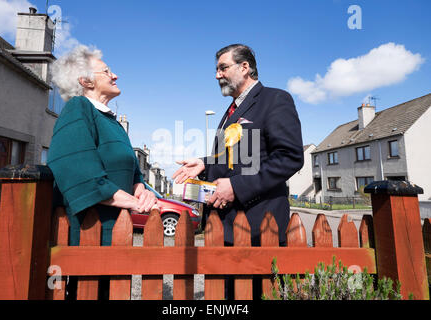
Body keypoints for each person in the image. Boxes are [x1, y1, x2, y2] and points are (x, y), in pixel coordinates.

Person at [172, 44, 304, 298]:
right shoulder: (231, 110)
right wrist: (205, 164)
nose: (217, 75)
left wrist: (236, 187)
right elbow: (239, 158)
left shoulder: (275, 99)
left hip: (256, 230)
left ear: (245, 67)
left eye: (223, 68)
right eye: (216, 69)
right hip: (225, 230)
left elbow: (289, 157)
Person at [48, 45, 157, 247]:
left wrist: (141, 190)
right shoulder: (78, 107)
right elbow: (78, 170)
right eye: (107, 71)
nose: (115, 75)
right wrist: (134, 203)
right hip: (88, 233)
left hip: (117, 230)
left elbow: (132, 171)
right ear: (85, 81)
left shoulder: (112, 121)